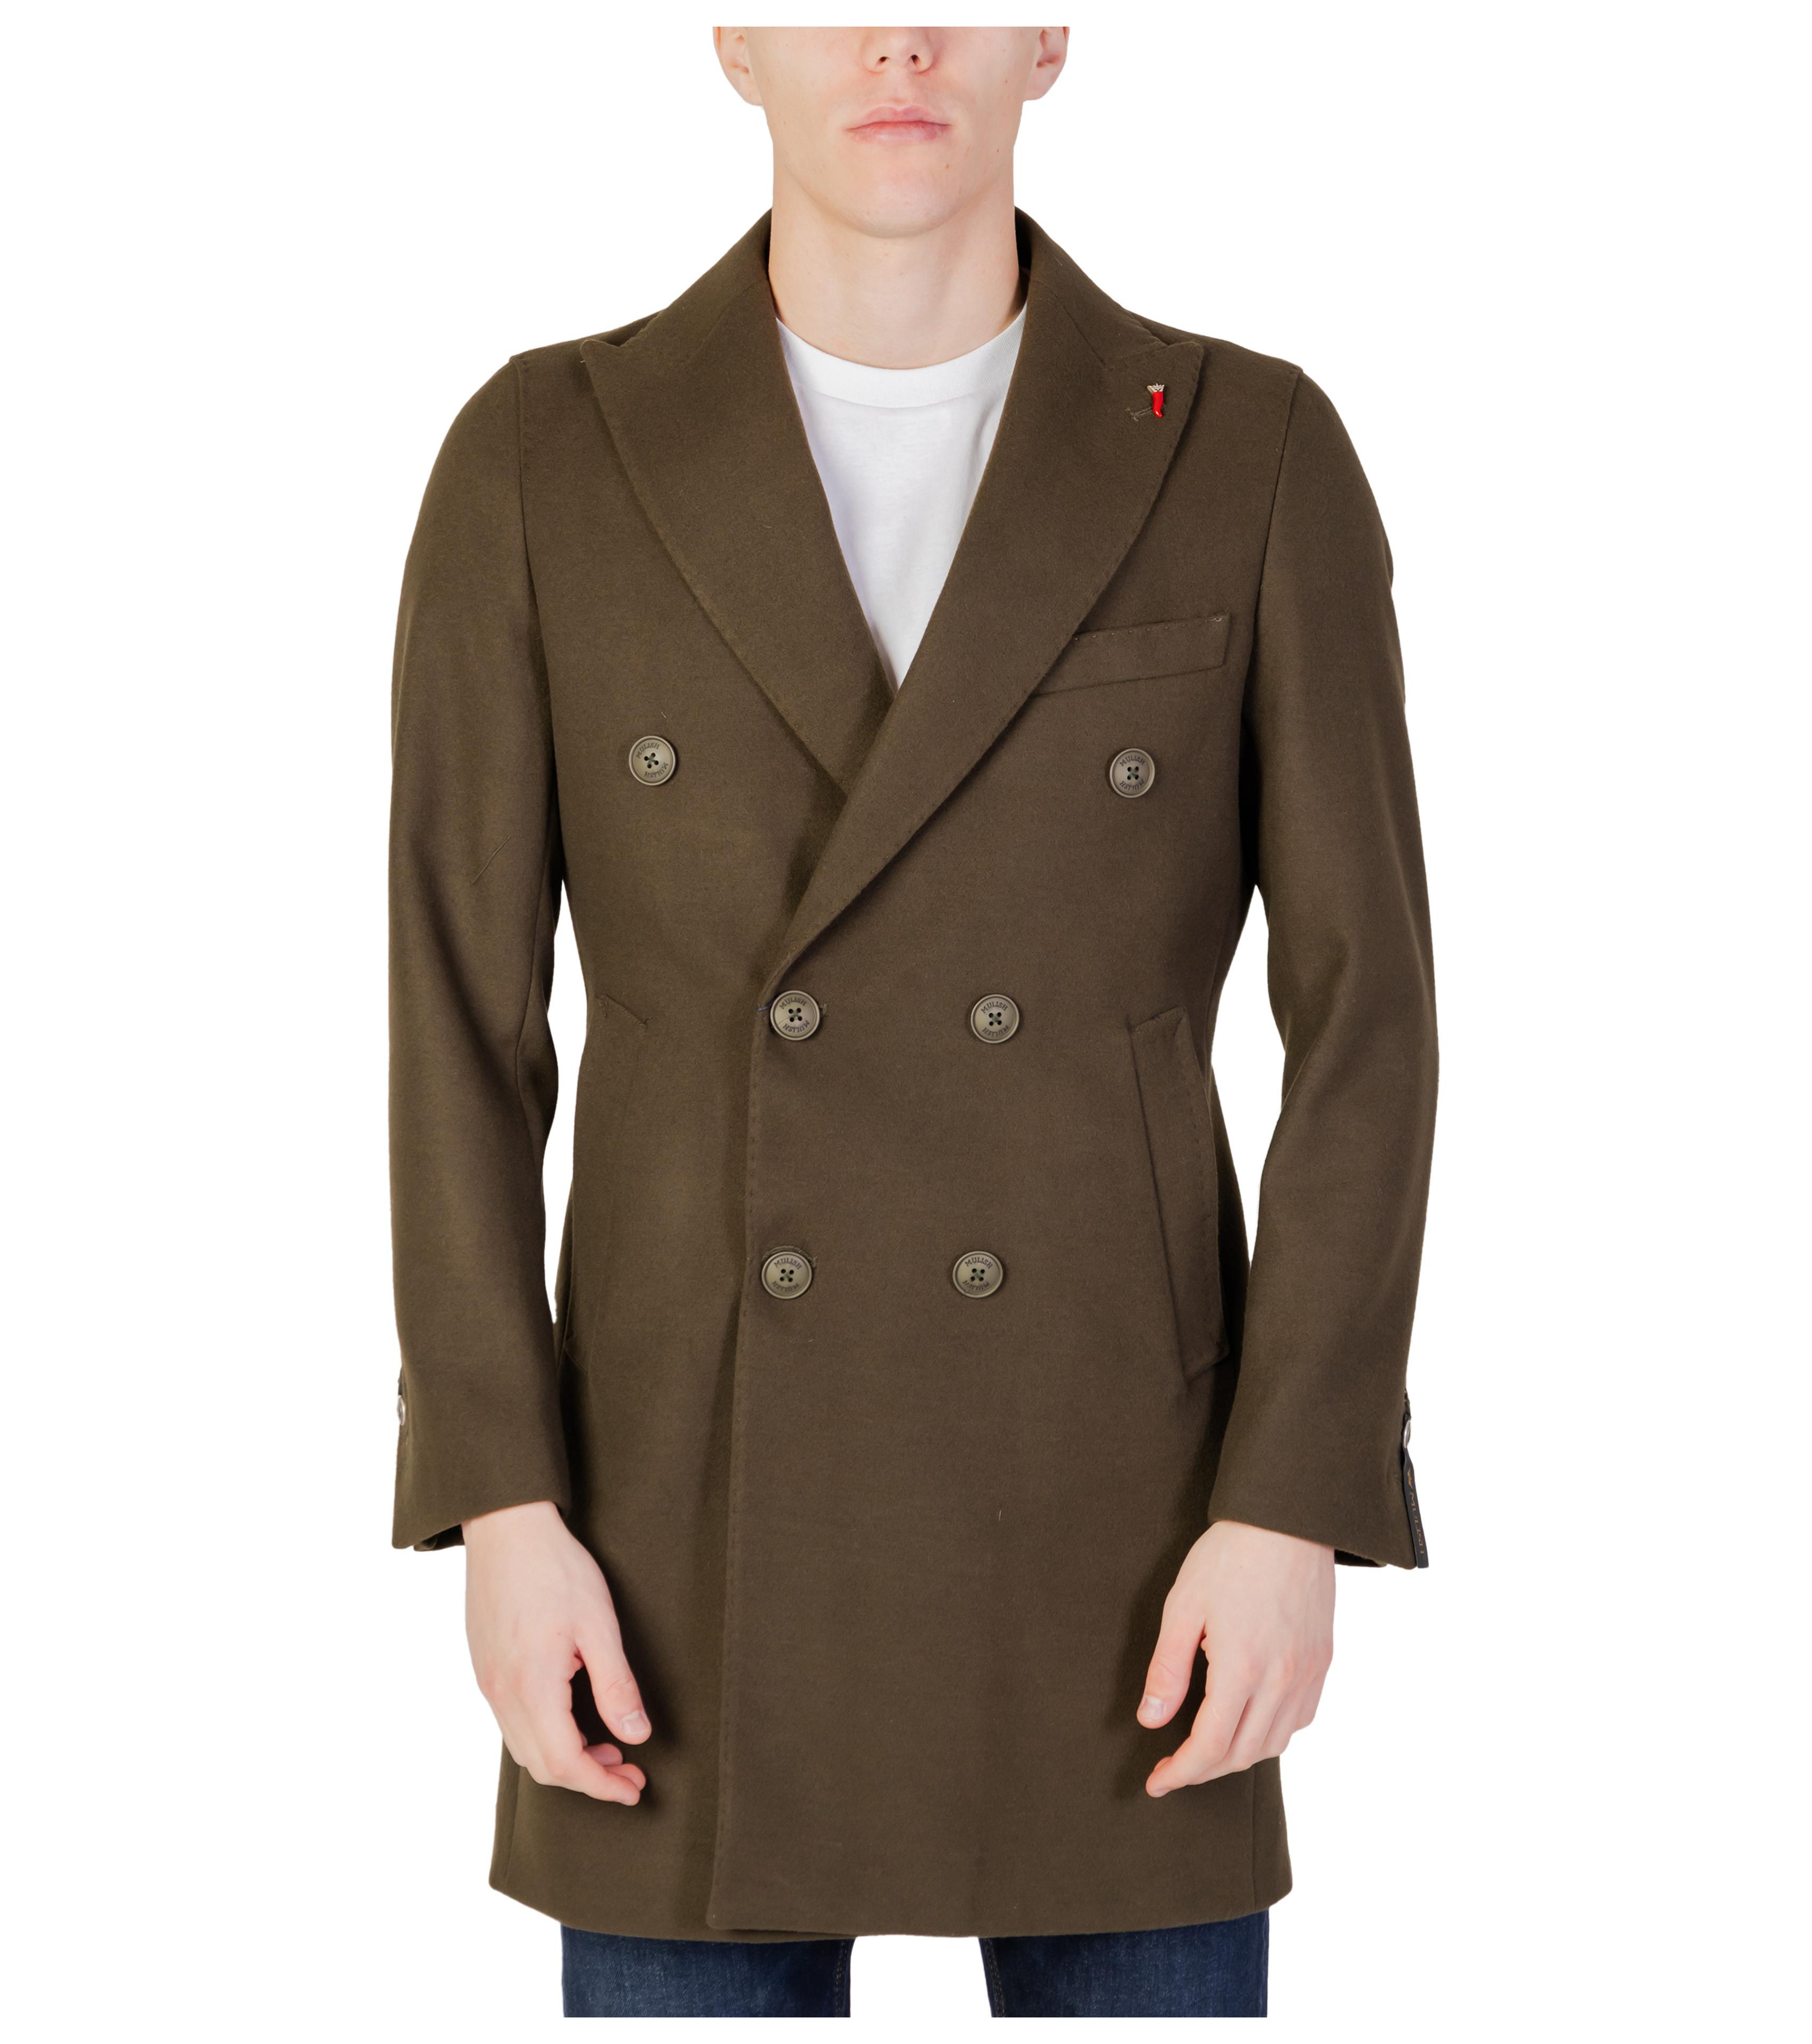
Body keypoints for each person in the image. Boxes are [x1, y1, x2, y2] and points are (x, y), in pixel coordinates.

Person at [388, 24, 1436, 2021]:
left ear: (1050, 35)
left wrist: (1290, 1498)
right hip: (673, 1530)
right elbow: (454, 1018)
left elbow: (1366, 1018)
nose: (897, 39)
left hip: (1131, 1529)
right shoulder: (541, 456)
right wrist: (499, 1503)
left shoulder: (1245, 448)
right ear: (730, 37)